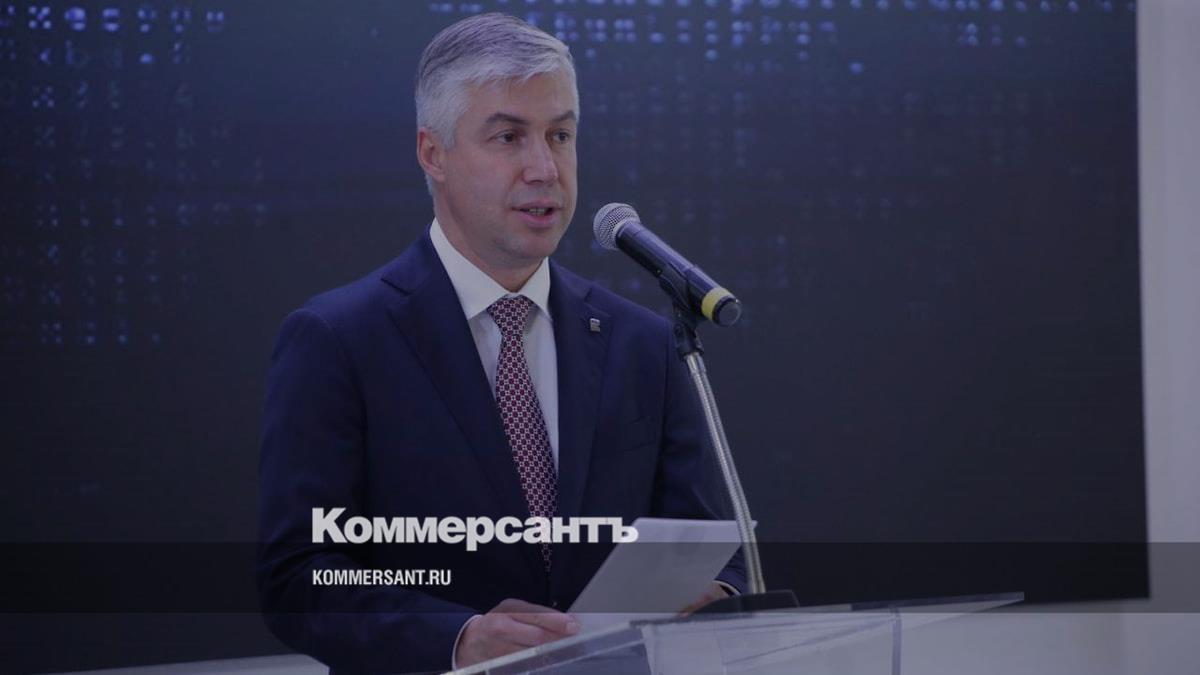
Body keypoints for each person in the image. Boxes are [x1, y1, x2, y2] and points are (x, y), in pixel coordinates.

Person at [257, 13, 744, 673]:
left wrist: (714, 595)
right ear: (433, 153)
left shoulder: (643, 343)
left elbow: (717, 548)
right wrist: (457, 638)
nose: (544, 168)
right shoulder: (338, 340)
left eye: (560, 135)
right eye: (509, 136)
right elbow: (299, 577)